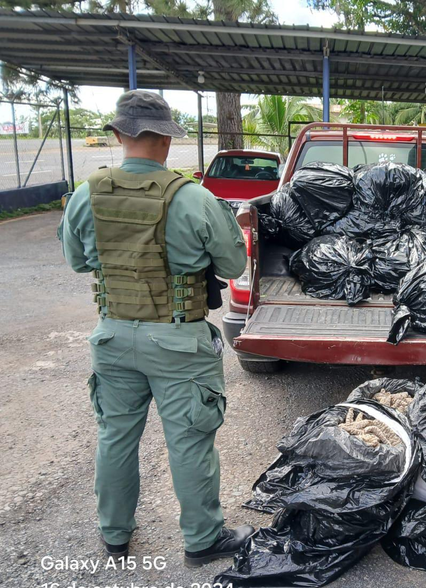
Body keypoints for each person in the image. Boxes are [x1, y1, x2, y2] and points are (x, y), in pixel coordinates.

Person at [60, 90, 253, 568]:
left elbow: (78, 261)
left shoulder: (87, 193)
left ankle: (115, 538)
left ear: (118, 135)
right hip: (177, 342)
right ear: (166, 141)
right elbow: (232, 263)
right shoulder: (194, 197)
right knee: (189, 440)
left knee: (115, 437)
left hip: (111, 338)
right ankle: (202, 540)